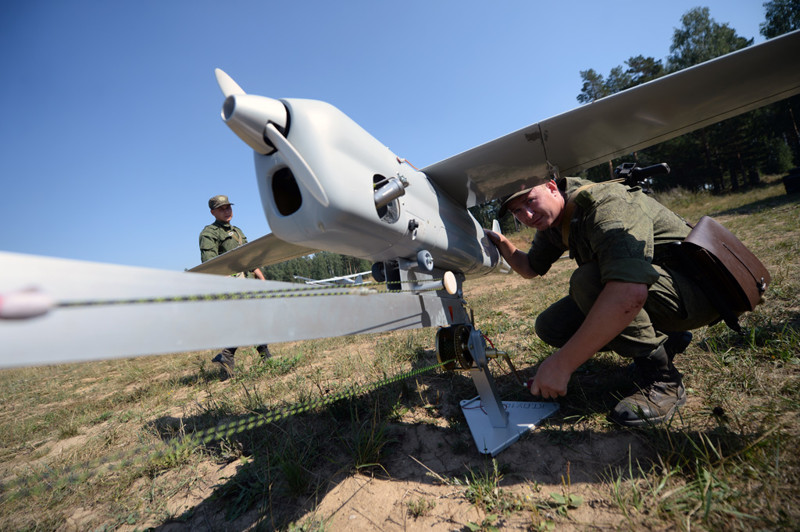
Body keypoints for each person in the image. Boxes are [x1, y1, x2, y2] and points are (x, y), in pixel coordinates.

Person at [485, 177, 719, 426]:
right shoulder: (554, 220)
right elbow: (531, 267)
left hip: (702, 294)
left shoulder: (606, 204)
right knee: (552, 325)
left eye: (530, 201)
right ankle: (667, 337)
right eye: (517, 211)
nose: (528, 215)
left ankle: (664, 381)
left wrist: (562, 364)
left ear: (552, 187)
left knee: (588, 281)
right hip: (665, 292)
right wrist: (501, 243)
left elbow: (628, 293)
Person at [199, 194, 272, 378]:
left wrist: (259, 275)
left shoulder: (237, 231)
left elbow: (247, 257)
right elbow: (210, 263)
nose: (227, 211)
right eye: (222, 209)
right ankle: (242, 355)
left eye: (228, 207)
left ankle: (232, 356)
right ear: (213, 212)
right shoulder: (209, 233)